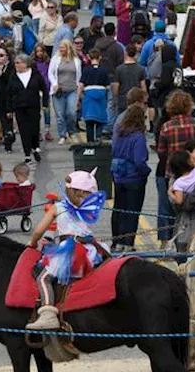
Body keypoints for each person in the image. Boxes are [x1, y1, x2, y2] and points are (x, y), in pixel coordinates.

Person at [26, 170, 108, 330]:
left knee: (43, 278)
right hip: (89, 249)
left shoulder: (58, 207)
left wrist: (32, 242)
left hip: (69, 250)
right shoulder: (89, 207)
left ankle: (48, 315)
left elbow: (38, 231)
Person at [156, 91, 195, 244]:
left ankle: (165, 243)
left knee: (166, 208)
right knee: (192, 209)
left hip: (173, 173)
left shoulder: (166, 127)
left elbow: (161, 151)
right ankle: (190, 241)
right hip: (194, 174)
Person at [110, 105, 151, 252]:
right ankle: (128, 242)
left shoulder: (119, 133)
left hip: (119, 176)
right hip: (134, 178)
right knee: (132, 211)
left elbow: (113, 151)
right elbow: (139, 160)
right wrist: (146, 171)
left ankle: (117, 241)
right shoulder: (138, 137)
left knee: (119, 209)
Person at [8, 53, 49, 163]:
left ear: (25, 64)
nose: (16, 65)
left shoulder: (35, 74)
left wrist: (45, 104)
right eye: (15, 63)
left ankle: (35, 147)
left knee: (34, 128)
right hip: (19, 106)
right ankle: (27, 153)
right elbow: (8, 93)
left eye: (18, 63)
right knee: (23, 130)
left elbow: (44, 89)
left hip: (33, 106)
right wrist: (9, 109)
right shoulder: (13, 76)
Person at [48, 40, 82, 144]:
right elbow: (50, 73)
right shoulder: (55, 59)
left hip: (72, 90)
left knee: (71, 113)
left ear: (68, 48)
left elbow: (79, 75)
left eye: (63, 47)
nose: (61, 49)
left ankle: (71, 131)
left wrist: (78, 87)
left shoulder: (76, 60)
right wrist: (54, 84)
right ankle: (62, 134)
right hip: (59, 91)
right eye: (60, 47)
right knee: (60, 114)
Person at [79, 49, 111, 142]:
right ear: (100, 57)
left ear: (89, 57)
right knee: (100, 119)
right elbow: (108, 87)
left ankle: (90, 142)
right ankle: (98, 137)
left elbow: (81, 85)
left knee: (89, 120)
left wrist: (78, 98)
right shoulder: (104, 71)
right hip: (101, 96)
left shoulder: (86, 70)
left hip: (88, 97)